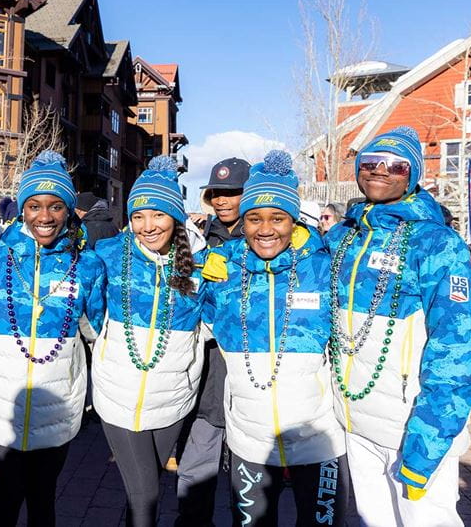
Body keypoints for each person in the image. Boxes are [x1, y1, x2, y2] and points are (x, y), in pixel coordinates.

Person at [326, 126, 471, 526]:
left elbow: (457, 347)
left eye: (395, 165)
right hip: (355, 422)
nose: (380, 171)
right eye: (370, 162)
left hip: (410, 428)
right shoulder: (342, 236)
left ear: (412, 175)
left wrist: (428, 441)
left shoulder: (437, 244)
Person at [202, 151, 349, 526]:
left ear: (293, 219)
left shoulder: (324, 266)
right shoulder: (224, 271)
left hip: (319, 440)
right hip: (249, 438)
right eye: (254, 218)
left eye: (277, 218)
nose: (265, 229)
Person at [0, 151, 106, 527]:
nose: (44, 217)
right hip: (2, 407)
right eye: (34, 206)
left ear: (69, 210)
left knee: (44, 502)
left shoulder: (89, 265)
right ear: (22, 209)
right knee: (6, 499)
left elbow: (98, 333)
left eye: (55, 206)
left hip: (57, 407)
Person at [92, 156, 208, 527]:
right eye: (138, 216)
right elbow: (89, 316)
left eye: (158, 214)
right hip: (118, 397)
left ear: (175, 216)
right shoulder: (107, 256)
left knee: (144, 490)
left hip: (173, 398)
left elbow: (211, 327)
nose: (147, 226)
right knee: (147, 496)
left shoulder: (203, 265)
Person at [176, 156, 250, 526]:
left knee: (246, 480)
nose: (221, 201)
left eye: (231, 193)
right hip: (206, 376)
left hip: (248, 378)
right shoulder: (200, 239)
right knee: (195, 470)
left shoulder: (263, 239)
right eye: (216, 193)